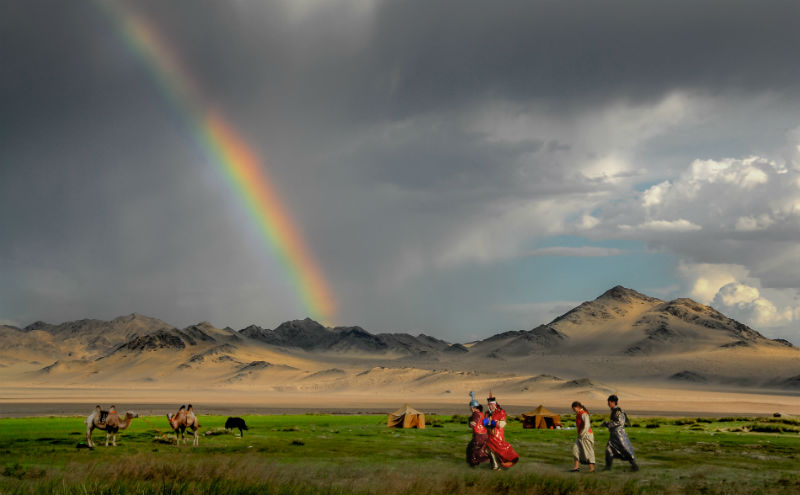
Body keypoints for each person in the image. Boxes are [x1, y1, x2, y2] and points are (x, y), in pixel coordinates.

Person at [601, 395, 639, 471]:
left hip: (619, 435)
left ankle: (634, 465)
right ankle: (608, 467)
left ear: (614, 402)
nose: (608, 403)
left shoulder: (618, 411)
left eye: (610, 401)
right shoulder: (614, 411)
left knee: (625, 450)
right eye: (608, 401)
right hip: (613, 435)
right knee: (609, 449)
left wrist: (607, 424)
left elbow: (619, 422)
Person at [484, 394, 519, 470]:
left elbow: (501, 424)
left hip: (497, 436)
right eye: (489, 405)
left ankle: (500, 465)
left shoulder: (501, 412)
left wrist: (492, 422)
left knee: (498, 451)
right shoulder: (487, 413)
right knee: (489, 450)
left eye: (492, 404)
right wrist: (487, 423)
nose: (490, 406)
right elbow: (485, 423)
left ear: (495, 404)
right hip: (490, 435)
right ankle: (495, 465)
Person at [570, 401, 595, 472]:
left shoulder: (584, 414)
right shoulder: (578, 414)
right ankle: (576, 467)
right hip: (580, 435)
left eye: (574, 409)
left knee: (588, 451)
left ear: (577, 407)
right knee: (575, 449)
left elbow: (587, 425)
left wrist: (583, 434)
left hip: (587, 435)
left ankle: (591, 468)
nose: (574, 411)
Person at [466, 391, 490, 467]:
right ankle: (473, 462)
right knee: (471, 448)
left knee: (475, 450)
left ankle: (474, 464)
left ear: (473, 408)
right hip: (483, 435)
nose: (470, 408)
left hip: (479, 435)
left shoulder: (476, 414)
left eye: (471, 407)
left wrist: (470, 423)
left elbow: (473, 424)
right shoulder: (480, 414)